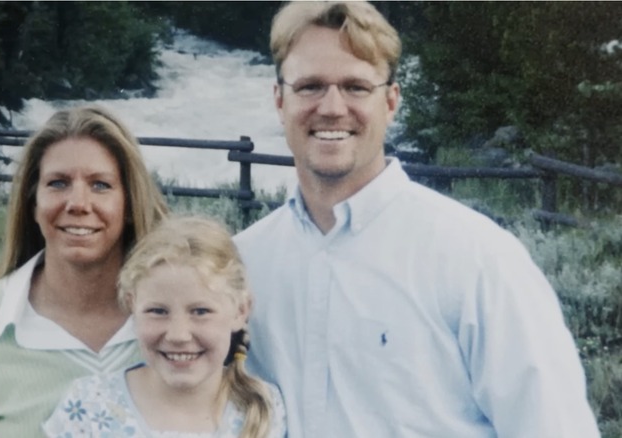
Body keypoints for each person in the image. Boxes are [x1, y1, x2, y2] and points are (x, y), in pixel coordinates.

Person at [233, 2, 600, 437]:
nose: (332, 107)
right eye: (310, 86)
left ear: (390, 101)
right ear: (279, 100)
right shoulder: (242, 265)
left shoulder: (477, 259)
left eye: (355, 87)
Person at [0, 105, 169, 437]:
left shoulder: (185, 327)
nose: (77, 203)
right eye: (58, 183)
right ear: (32, 204)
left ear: (130, 204)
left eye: (100, 185)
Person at [42, 216, 287, 438]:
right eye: (158, 311)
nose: (178, 335)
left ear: (240, 311)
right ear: (132, 305)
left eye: (200, 312)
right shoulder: (88, 407)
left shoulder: (264, 410)